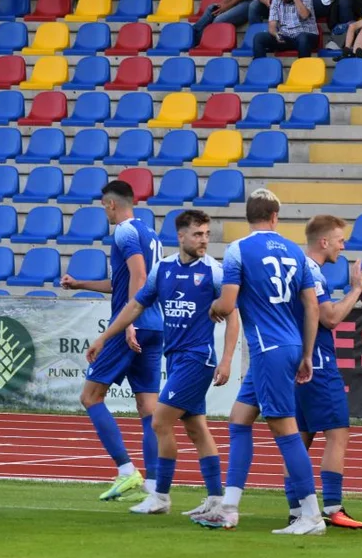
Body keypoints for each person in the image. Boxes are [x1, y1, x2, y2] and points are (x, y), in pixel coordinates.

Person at [87, 211, 239, 517]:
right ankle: (214, 499)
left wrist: (226, 359)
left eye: (207, 234)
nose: (204, 240)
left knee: (159, 421)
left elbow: (234, 314)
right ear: (181, 236)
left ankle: (161, 496)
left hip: (198, 358)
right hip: (177, 356)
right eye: (198, 234)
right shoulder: (164, 268)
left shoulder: (214, 271)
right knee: (196, 428)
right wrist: (105, 336)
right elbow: (135, 306)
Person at [192, 189, 324, 535]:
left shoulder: (239, 249)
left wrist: (214, 307)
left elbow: (228, 302)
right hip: (291, 343)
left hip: (267, 348)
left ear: (248, 215)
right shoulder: (296, 252)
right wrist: (307, 353)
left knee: (286, 432)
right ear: (275, 216)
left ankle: (311, 515)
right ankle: (230, 507)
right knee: (239, 420)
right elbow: (312, 306)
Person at [75, 181, 164, 505]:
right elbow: (125, 281)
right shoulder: (151, 234)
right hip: (156, 325)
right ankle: (154, 488)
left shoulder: (124, 232)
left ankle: (126, 470)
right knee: (148, 408)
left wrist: (128, 324)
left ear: (112, 204)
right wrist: (81, 284)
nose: (105, 212)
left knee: (90, 396)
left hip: (135, 324)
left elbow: (139, 279)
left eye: (103, 207)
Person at [283, 215, 362, 530]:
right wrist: (356, 290)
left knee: (300, 437)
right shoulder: (312, 272)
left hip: (295, 363)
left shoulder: (292, 268)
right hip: (317, 362)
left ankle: (296, 509)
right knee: (337, 433)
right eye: (339, 240)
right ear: (323, 242)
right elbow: (329, 317)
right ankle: (334, 507)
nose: (342, 246)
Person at [253, 0, 321, 58]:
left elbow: (304, 15)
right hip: (286, 38)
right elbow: (272, 26)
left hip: (307, 36)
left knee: (302, 37)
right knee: (259, 38)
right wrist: (276, 34)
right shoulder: (276, 0)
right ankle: (260, 67)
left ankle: (303, 68)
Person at [192, 0, 258, 39]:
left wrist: (227, 6)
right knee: (211, 8)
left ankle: (197, 39)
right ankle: (192, 33)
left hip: (249, 3)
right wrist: (222, 5)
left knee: (219, 20)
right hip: (237, 2)